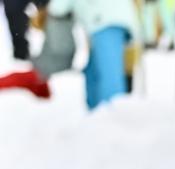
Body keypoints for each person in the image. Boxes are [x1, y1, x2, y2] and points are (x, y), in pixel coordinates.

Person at [0, 0, 136, 105]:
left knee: (107, 73)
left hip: (105, 20)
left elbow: (58, 7)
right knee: (95, 71)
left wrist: (50, 11)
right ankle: (99, 114)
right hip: (104, 21)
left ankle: (111, 112)